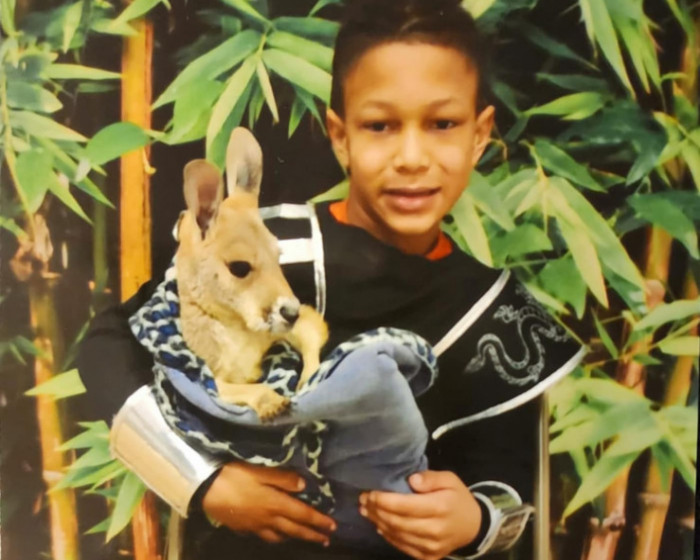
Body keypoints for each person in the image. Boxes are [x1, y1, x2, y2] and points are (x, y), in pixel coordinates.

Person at [77, 1, 585, 559]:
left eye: (442, 124)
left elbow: (508, 485)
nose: (411, 157)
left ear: (480, 134)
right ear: (340, 137)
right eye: (380, 126)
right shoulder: (266, 250)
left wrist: (473, 521)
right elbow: (109, 347)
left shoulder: (495, 313)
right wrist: (202, 481)